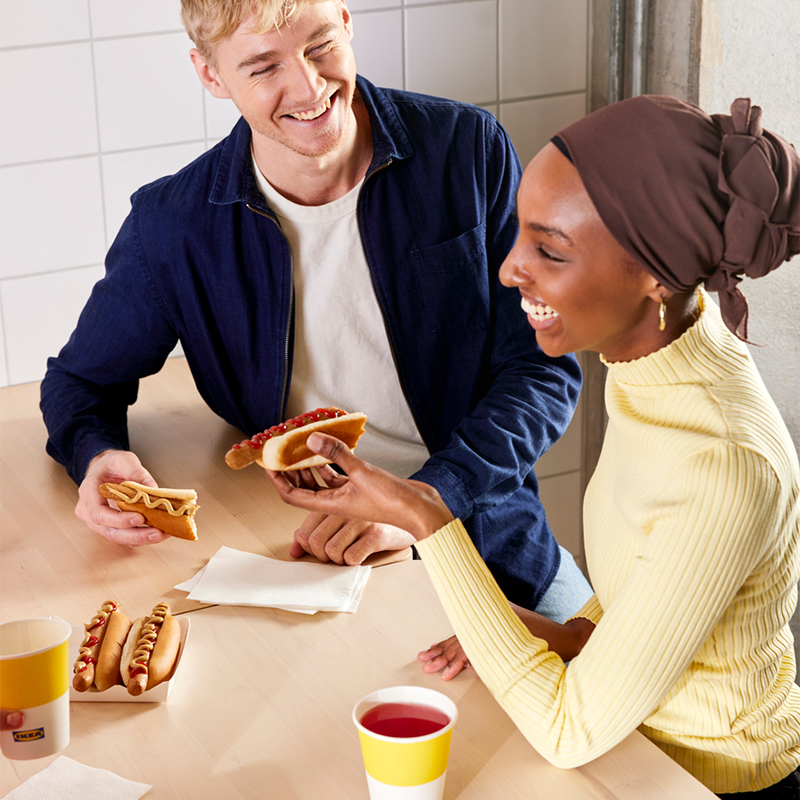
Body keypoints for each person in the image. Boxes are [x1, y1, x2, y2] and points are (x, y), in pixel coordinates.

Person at [267, 95, 800, 798]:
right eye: (520, 235)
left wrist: (424, 514)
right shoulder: (652, 361)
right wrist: (536, 634)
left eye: (549, 249)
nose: (510, 269)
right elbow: (646, 590)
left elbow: (566, 732)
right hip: (636, 747)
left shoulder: (722, 461)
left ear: (654, 275)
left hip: (707, 782)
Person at [39, 0, 589, 618]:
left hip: (490, 541)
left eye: (320, 45)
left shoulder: (466, 149)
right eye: (262, 66)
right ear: (211, 75)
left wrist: (422, 503)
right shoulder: (172, 226)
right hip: (308, 561)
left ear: (348, 23)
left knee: (629, 705)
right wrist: (98, 456)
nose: (309, 86)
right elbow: (80, 382)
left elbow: (544, 367)